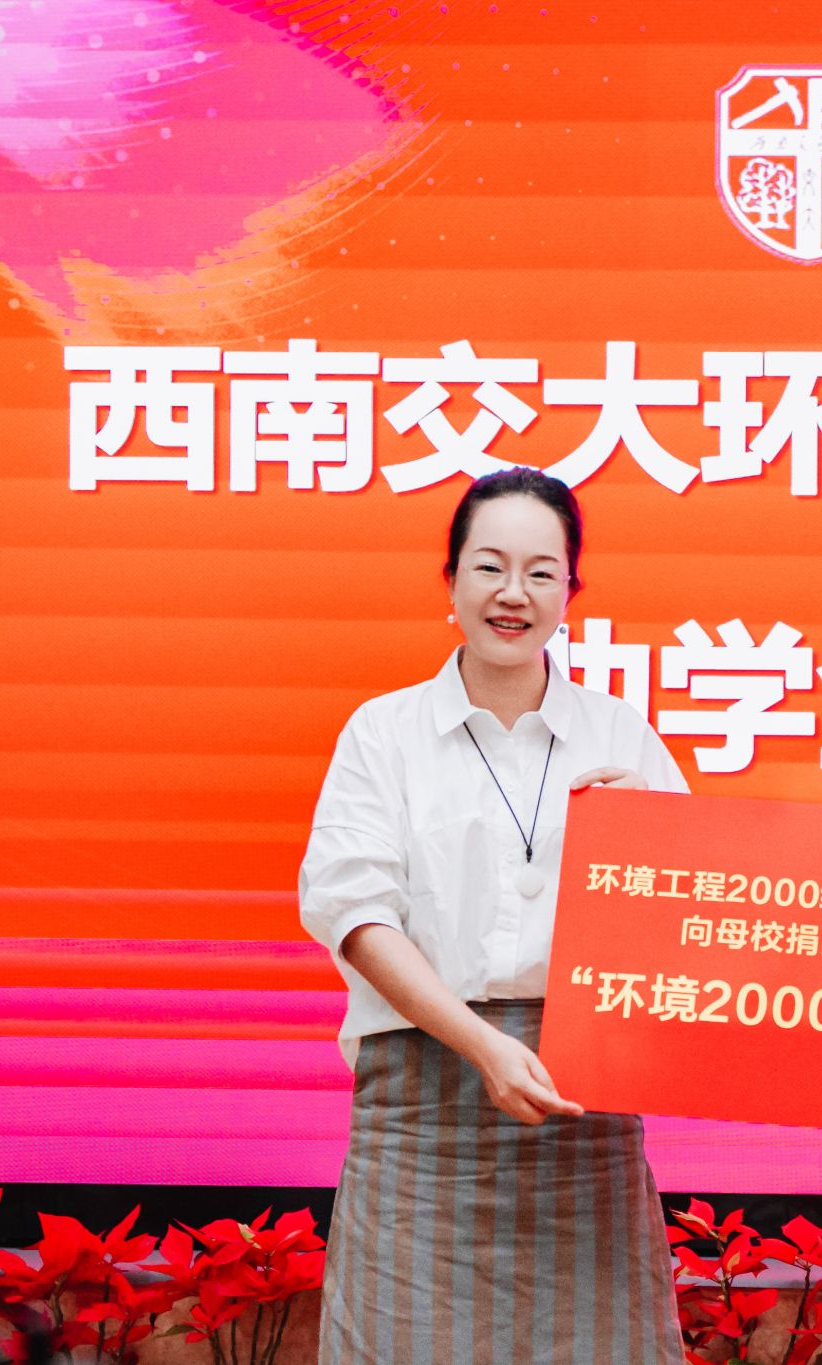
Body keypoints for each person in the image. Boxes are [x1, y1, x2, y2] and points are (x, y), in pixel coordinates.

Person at [299, 467, 686, 1365]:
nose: (515, 593)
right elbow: (355, 913)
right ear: (452, 580)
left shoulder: (622, 736)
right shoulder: (383, 733)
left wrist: (651, 838)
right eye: (490, 567)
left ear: (571, 590)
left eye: (542, 572)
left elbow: (688, 923)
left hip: (579, 1112)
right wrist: (482, 1044)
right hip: (423, 1106)